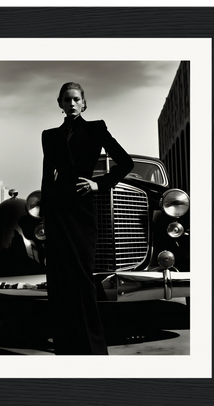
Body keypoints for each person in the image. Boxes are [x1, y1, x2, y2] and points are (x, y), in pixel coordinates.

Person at [40, 82, 134, 355]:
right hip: (57, 213)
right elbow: (47, 178)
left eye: (76, 99)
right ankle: (65, 347)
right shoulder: (49, 135)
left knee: (82, 279)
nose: (71, 104)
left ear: (84, 103)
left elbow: (124, 162)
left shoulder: (96, 128)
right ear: (59, 103)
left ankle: (93, 349)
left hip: (82, 211)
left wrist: (99, 184)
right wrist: (45, 216)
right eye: (66, 99)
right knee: (59, 281)